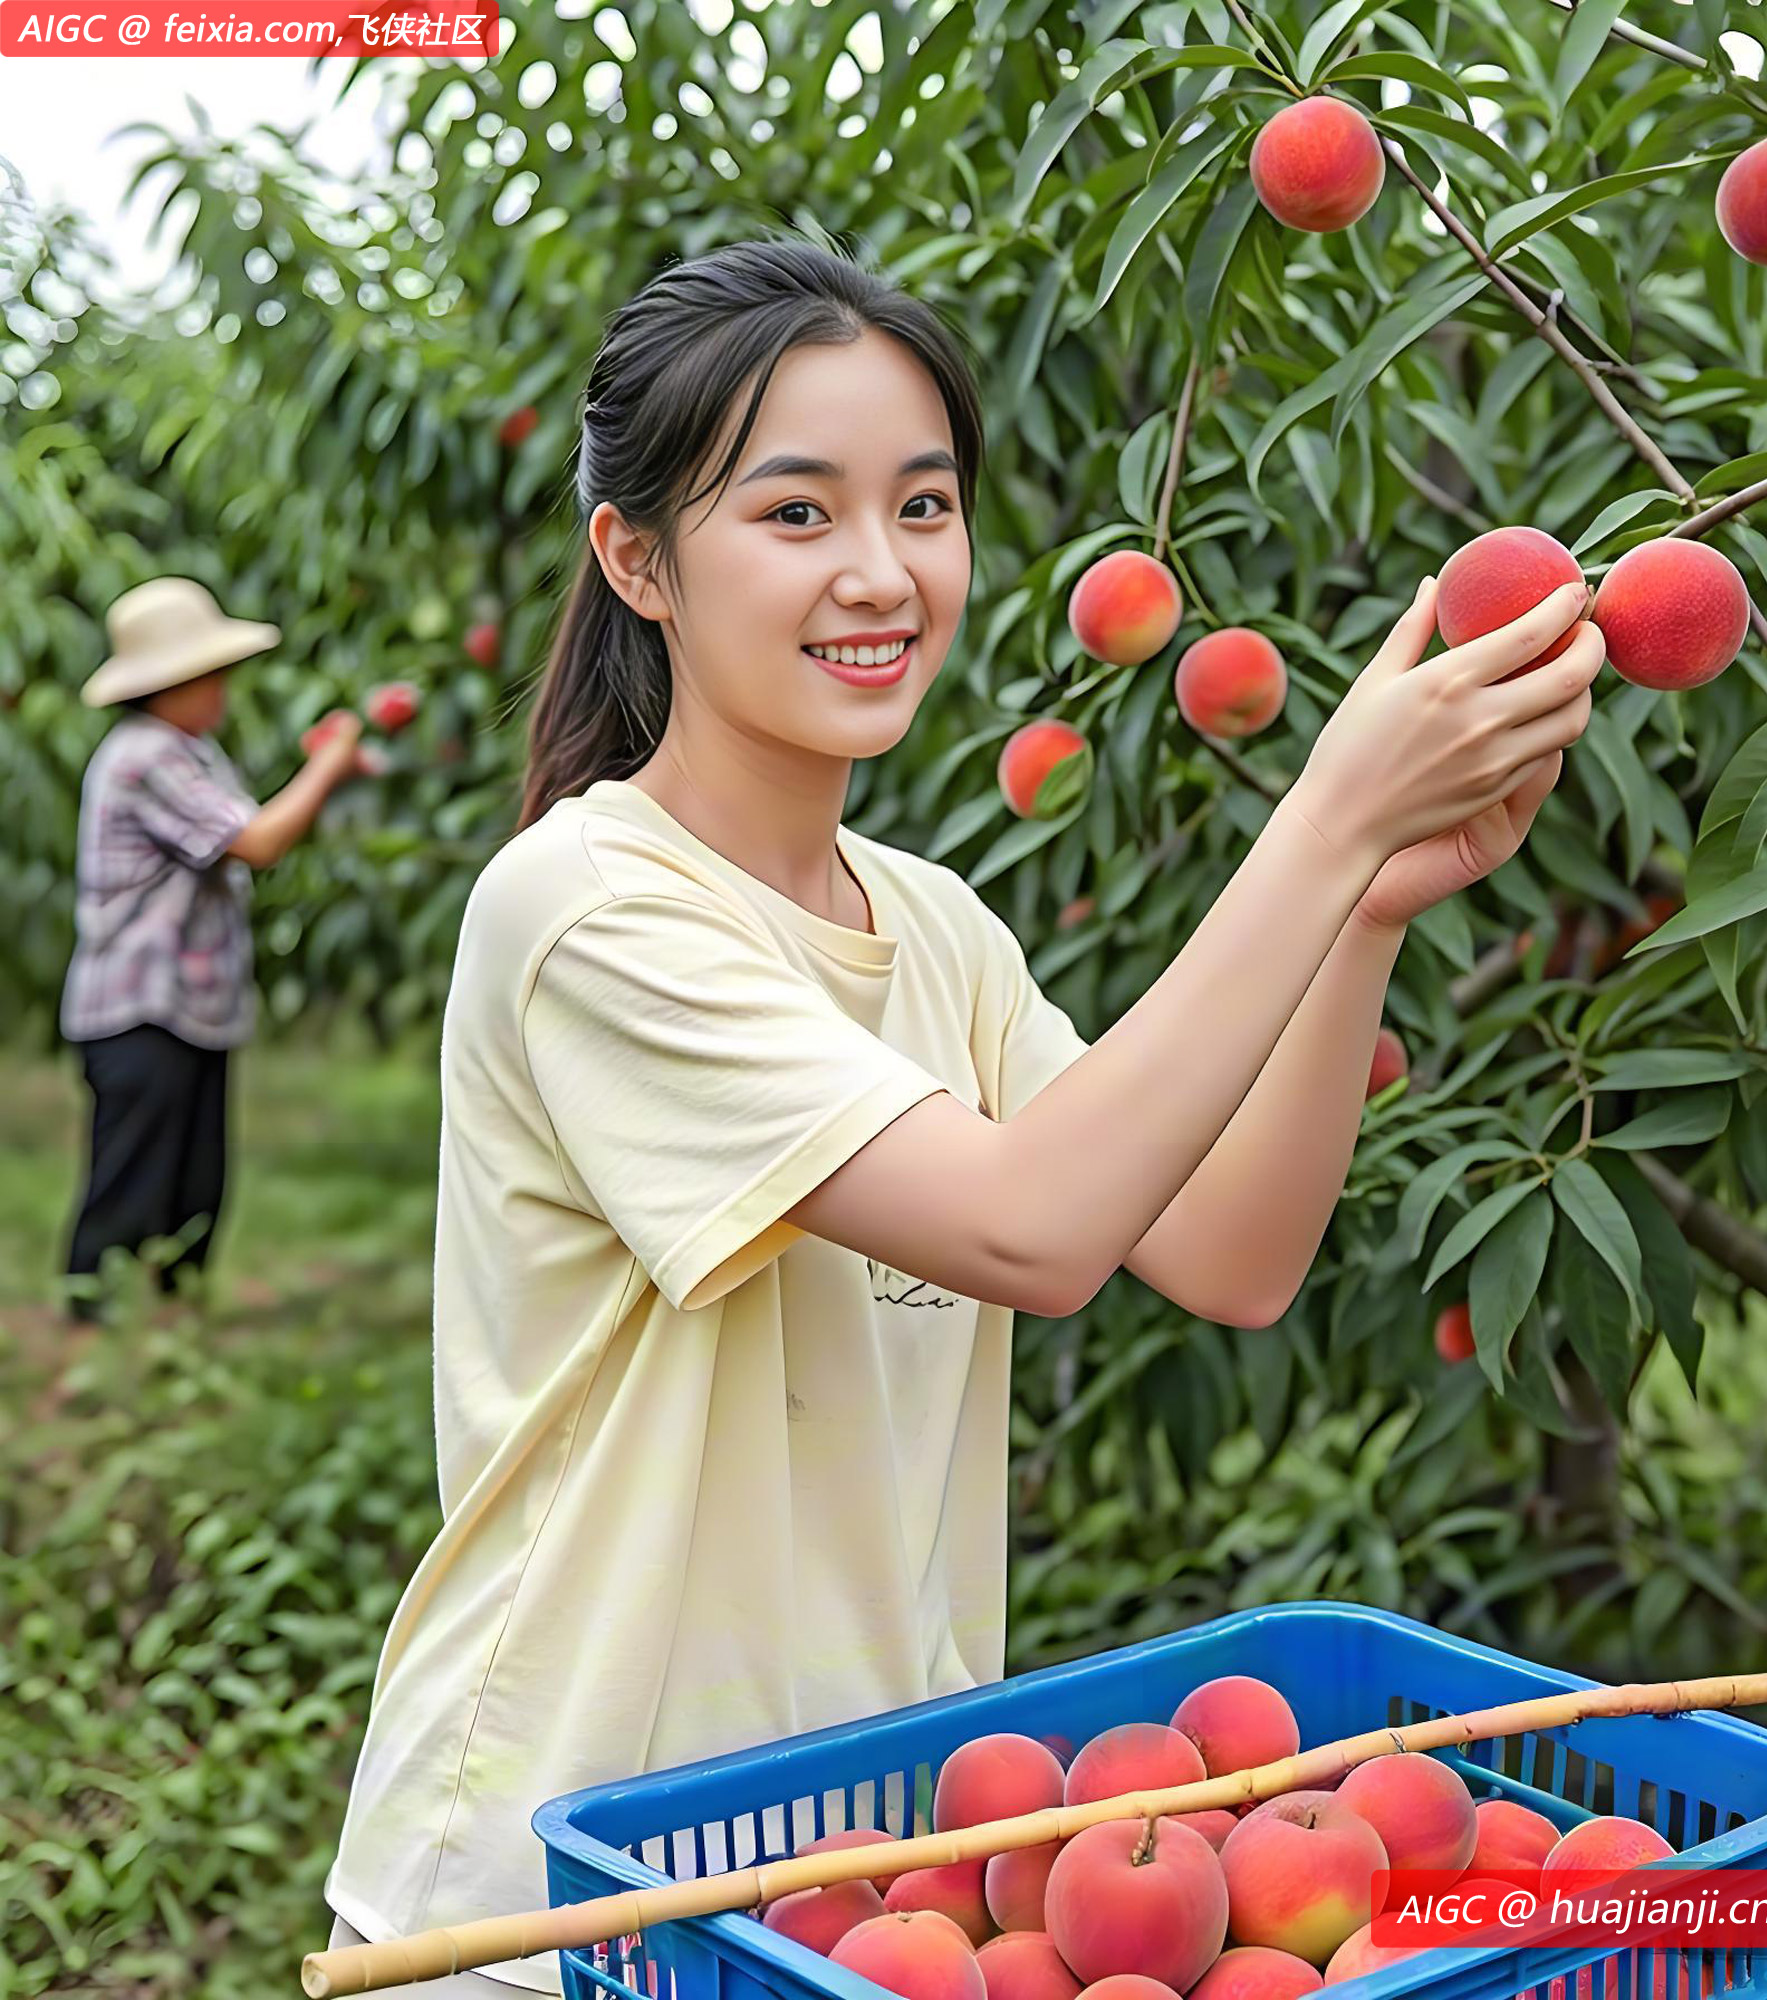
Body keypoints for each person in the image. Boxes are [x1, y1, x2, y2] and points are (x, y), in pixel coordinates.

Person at [317, 235, 1599, 1997]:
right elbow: (1030, 1229)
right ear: (637, 560)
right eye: (796, 515)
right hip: (564, 1889)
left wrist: (1366, 897)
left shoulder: (933, 927)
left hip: (855, 1891)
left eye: (924, 507)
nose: (881, 573)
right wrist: (1320, 816)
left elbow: (1225, 1251)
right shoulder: (587, 911)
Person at [59, 576, 368, 1326]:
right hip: (139, 1003)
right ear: (170, 684)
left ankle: (171, 1312)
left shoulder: (188, 752)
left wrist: (322, 768)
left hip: (184, 1004)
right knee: (132, 1172)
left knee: (193, 1173)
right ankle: (89, 1312)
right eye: (210, 674)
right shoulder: (145, 757)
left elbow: (242, 825)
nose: (223, 687)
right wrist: (331, 761)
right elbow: (258, 841)